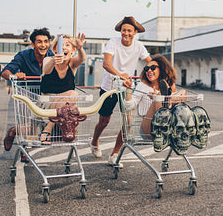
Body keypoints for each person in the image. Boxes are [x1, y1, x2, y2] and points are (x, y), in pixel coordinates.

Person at [89, 16, 151, 167]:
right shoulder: (113, 43)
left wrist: (159, 71)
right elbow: (106, 63)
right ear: (120, 31)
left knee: (129, 122)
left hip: (126, 87)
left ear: (135, 32)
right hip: (109, 86)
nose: (126, 33)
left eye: (129, 30)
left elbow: (151, 62)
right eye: (124, 30)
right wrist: (119, 74)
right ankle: (94, 142)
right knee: (104, 121)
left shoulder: (139, 46)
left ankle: (114, 154)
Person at [1, 28, 54, 160]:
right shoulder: (23, 55)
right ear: (33, 44)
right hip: (26, 94)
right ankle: (16, 135)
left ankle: (18, 133)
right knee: (28, 127)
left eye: (46, 42)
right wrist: (15, 75)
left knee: (45, 124)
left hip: (45, 94)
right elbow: (5, 72)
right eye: (39, 42)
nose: (43, 45)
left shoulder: (52, 56)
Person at [123, 54, 186, 138]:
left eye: (153, 68)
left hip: (168, 124)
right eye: (146, 69)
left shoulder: (170, 85)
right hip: (149, 128)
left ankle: (168, 99)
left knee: (183, 92)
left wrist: (168, 99)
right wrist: (128, 89)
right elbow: (129, 106)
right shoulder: (142, 85)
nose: (149, 70)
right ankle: (164, 99)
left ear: (162, 69)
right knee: (158, 98)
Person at [38, 33, 86, 143]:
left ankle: (48, 129)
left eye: (68, 45)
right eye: (61, 45)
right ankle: (49, 128)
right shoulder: (48, 60)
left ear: (73, 51)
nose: (64, 47)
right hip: (47, 104)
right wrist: (54, 60)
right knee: (72, 95)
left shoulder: (72, 63)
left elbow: (82, 58)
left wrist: (80, 48)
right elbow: (46, 70)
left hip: (65, 108)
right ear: (55, 49)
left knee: (72, 94)